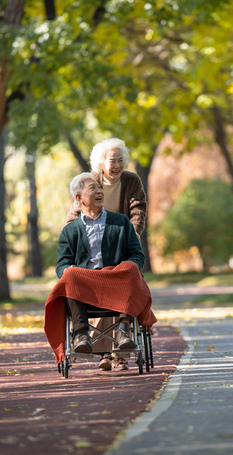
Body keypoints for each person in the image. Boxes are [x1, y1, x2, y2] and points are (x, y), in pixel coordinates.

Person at [64, 138, 147, 371]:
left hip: (120, 242)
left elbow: (138, 209)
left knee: (122, 275)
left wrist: (131, 233)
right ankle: (109, 353)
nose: (117, 165)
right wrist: (74, 238)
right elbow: (74, 215)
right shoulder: (90, 182)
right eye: (112, 161)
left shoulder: (131, 181)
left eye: (121, 160)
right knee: (95, 277)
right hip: (94, 248)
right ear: (101, 163)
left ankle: (116, 354)